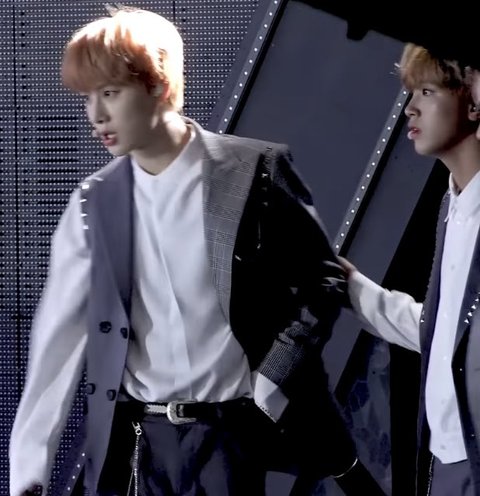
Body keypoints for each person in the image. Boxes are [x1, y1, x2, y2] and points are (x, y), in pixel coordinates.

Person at [9, 7, 375, 496]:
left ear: (158, 85)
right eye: (88, 97)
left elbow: (322, 282)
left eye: (110, 93)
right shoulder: (92, 204)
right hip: (144, 443)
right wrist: (29, 473)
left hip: (239, 432)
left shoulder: (254, 169)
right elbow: (57, 340)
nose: (95, 115)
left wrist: (271, 378)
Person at [340, 43, 480, 495]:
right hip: (447, 458)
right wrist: (351, 288)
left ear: (473, 101)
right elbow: (443, 332)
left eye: (427, 91)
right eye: (411, 93)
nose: (410, 109)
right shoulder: (452, 207)